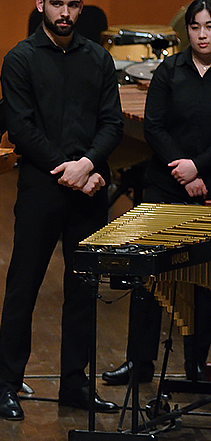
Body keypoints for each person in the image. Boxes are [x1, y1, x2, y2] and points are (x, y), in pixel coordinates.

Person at [0, 0, 124, 421]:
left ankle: (75, 383)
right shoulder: (20, 59)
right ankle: (8, 385)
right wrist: (70, 169)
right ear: (41, 5)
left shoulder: (99, 58)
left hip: (89, 188)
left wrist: (86, 165)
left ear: (80, 8)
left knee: (83, 290)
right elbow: (22, 128)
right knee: (23, 285)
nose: (64, 12)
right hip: (41, 188)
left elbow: (113, 123)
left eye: (72, 4)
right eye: (57, 4)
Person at [102, 0, 211, 387]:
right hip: (166, 186)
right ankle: (139, 363)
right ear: (187, 32)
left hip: (208, 189)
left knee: (201, 283)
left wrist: (199, 168)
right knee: (148, 278)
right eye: (196, 27)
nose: (202, 35)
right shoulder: (169, 70)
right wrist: (184, 169)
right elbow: (154, 127)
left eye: (209, 26)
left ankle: (197, 364)